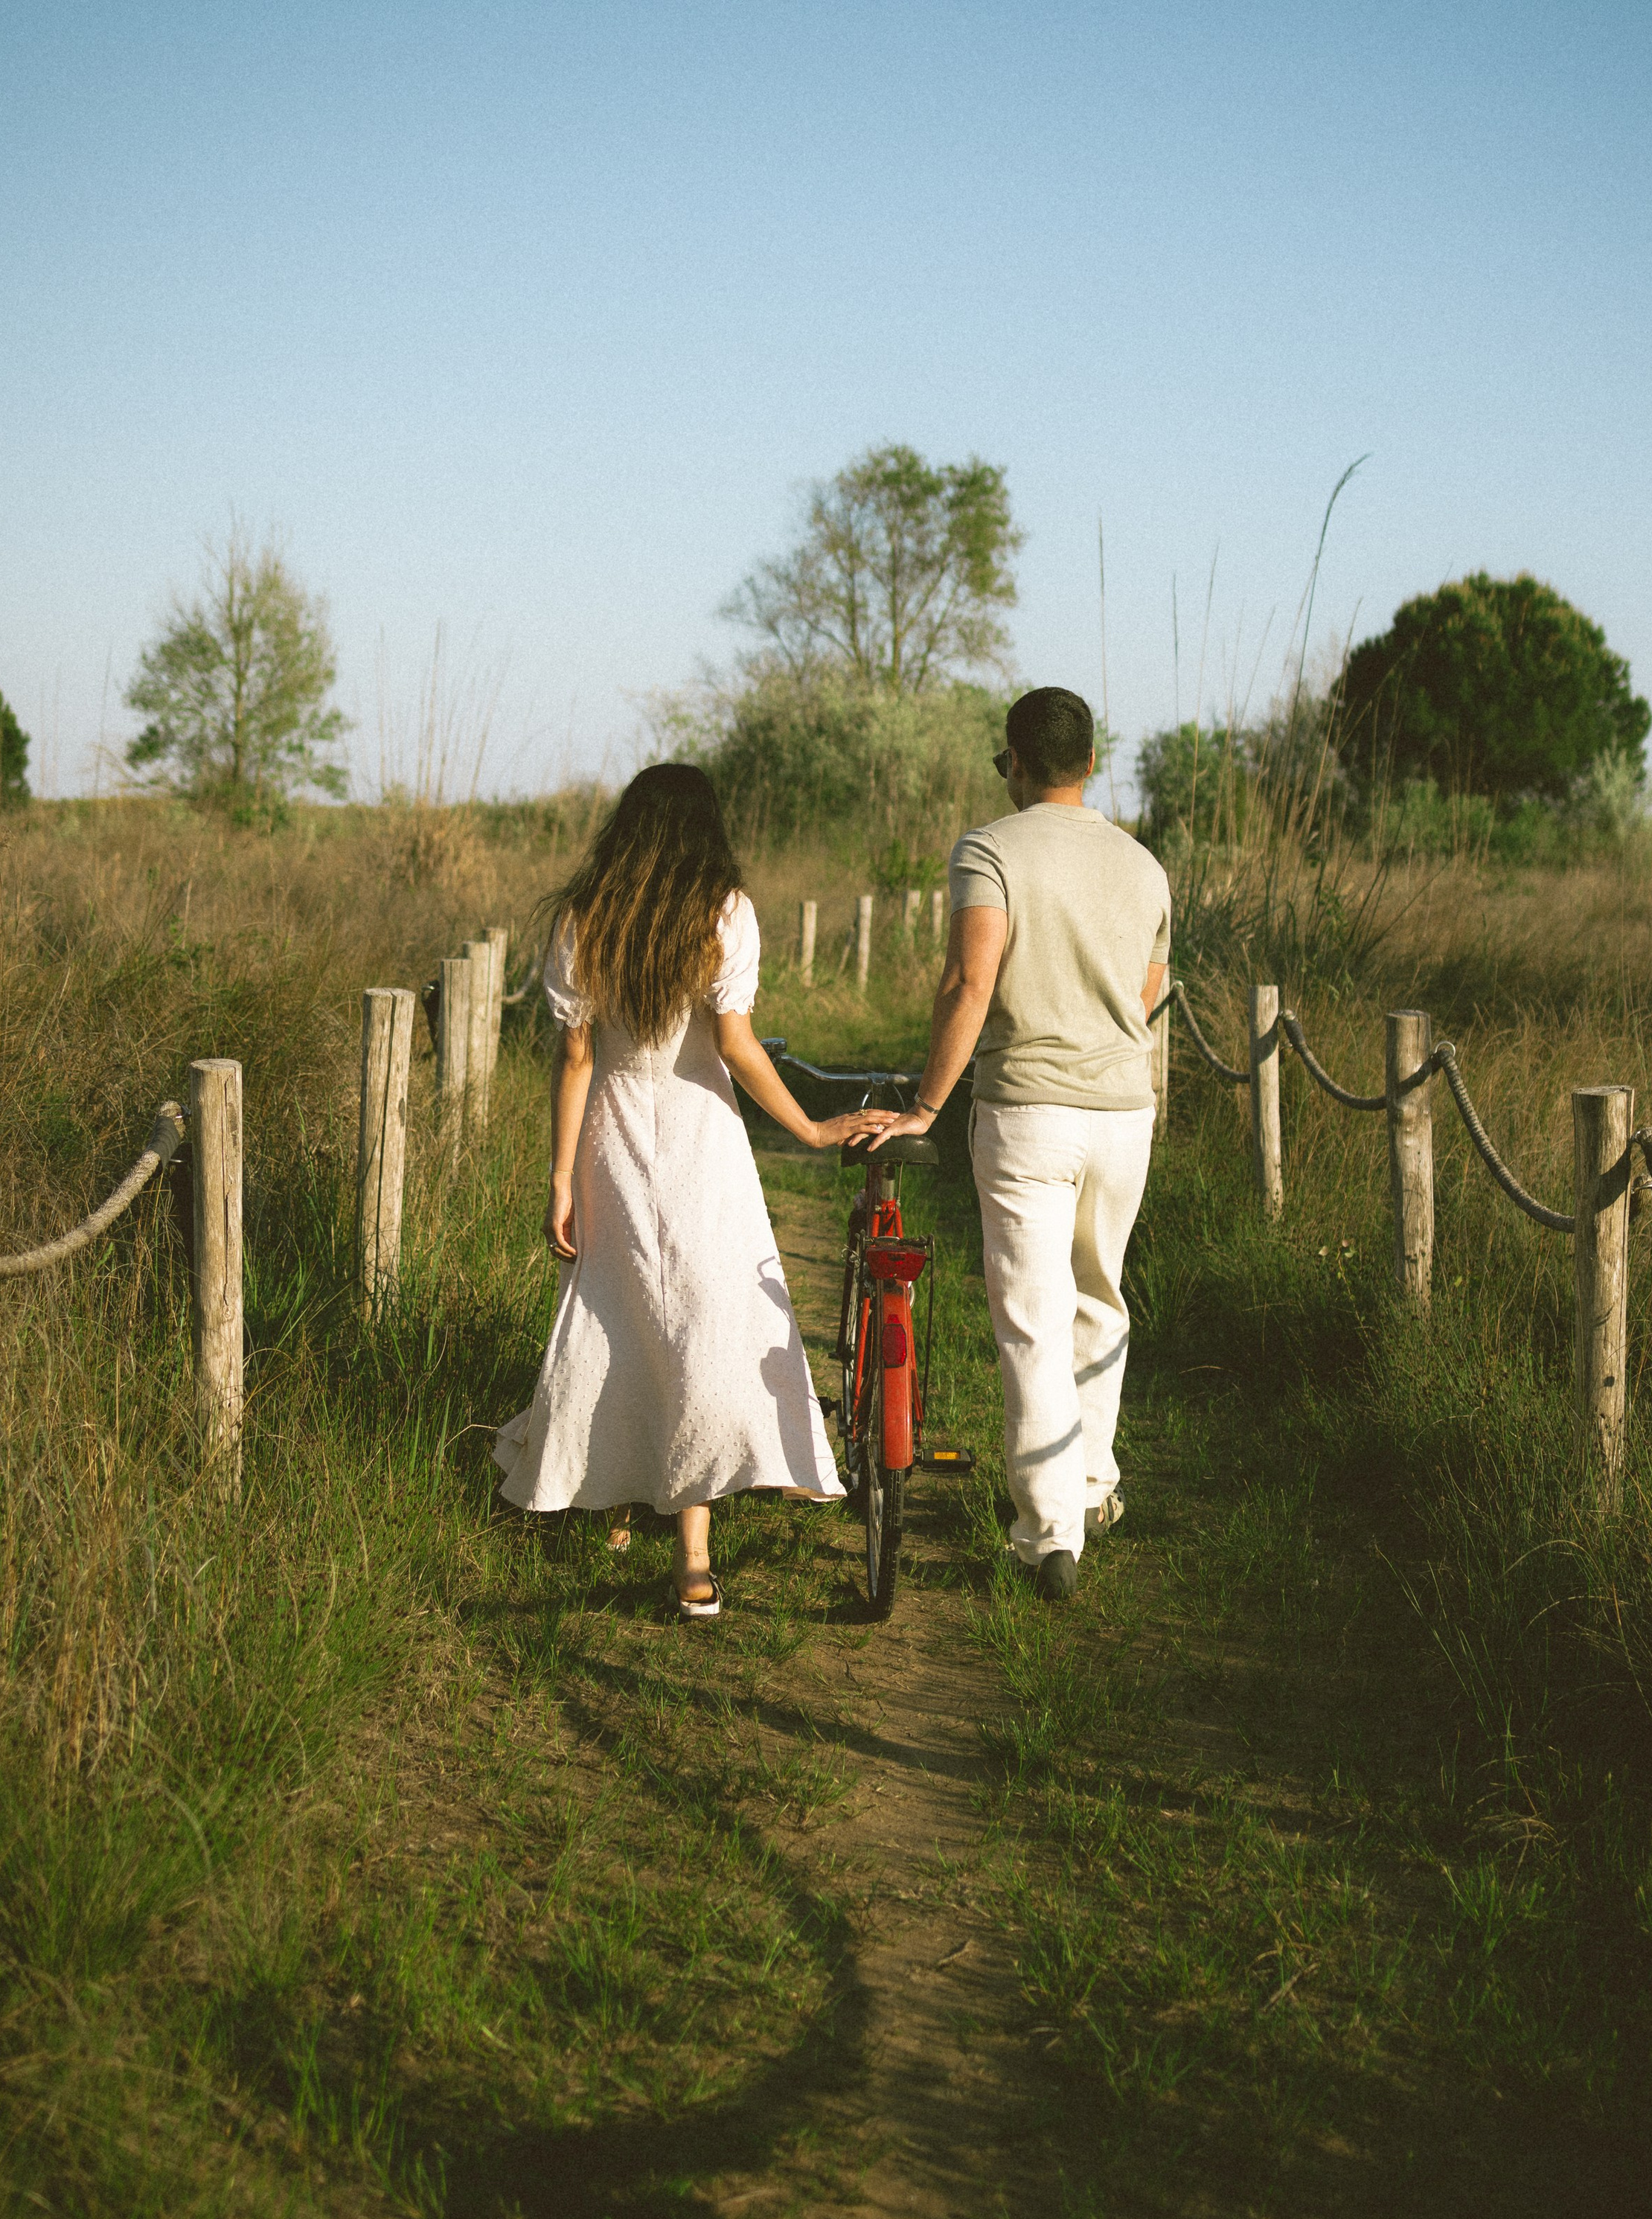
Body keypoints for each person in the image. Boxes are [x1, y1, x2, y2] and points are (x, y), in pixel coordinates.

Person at [494, 764, 892, 1620]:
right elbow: (739, 1046)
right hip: (702, 1133)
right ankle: (695, 1556)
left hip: (612, 1133)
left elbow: (574, 1058)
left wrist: (561, 1176)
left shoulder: (583, 916)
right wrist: (812, 1128)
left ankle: (623, 1494)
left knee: (624, 1316)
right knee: (706, 1323)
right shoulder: (725, 912)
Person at [862, 687, 1170, 1600]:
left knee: (1032, 1313)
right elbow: (1149, 990)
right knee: (1099, 1298)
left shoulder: (991, 848)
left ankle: (1048, 1533)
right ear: (1088, 762)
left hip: (1029, 1110)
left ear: (1019, 761)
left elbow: (968, 980)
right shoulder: (1144, 866)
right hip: (1124, 1111)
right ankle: (1091, 1487)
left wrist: (926, 1102)